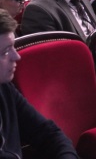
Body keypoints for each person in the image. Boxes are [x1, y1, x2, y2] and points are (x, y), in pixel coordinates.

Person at [0, 9, 79, 158]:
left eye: (13, 47)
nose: (16, 57)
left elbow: (48, 133)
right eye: (5, 52)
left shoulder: (5, 87)